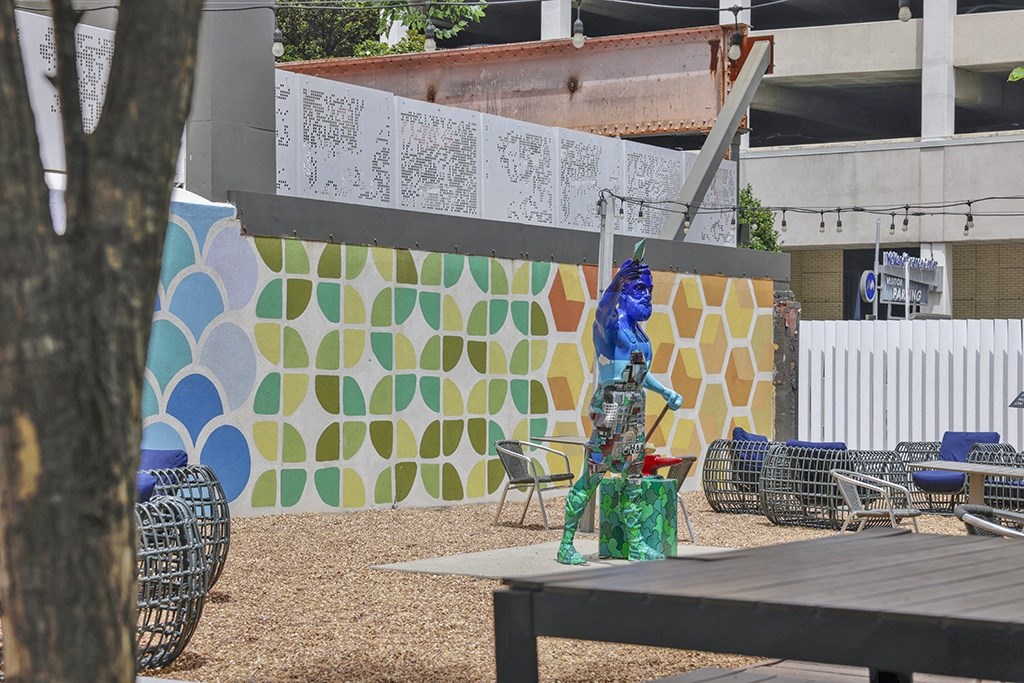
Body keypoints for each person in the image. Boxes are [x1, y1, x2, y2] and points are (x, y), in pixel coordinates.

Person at [556, 255, 683, 565]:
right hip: (612, 405)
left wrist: (665, 391)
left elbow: (638, 372)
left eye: (649, 291)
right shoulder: (612, 329)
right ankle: (566, 544)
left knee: (633, 476)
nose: (647, 297)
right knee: (594, 472)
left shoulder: (641, 335)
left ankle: (637, 544)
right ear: (624, 294)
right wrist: (616, 281)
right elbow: (601, 312)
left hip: (635, 406)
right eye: (640, 289)